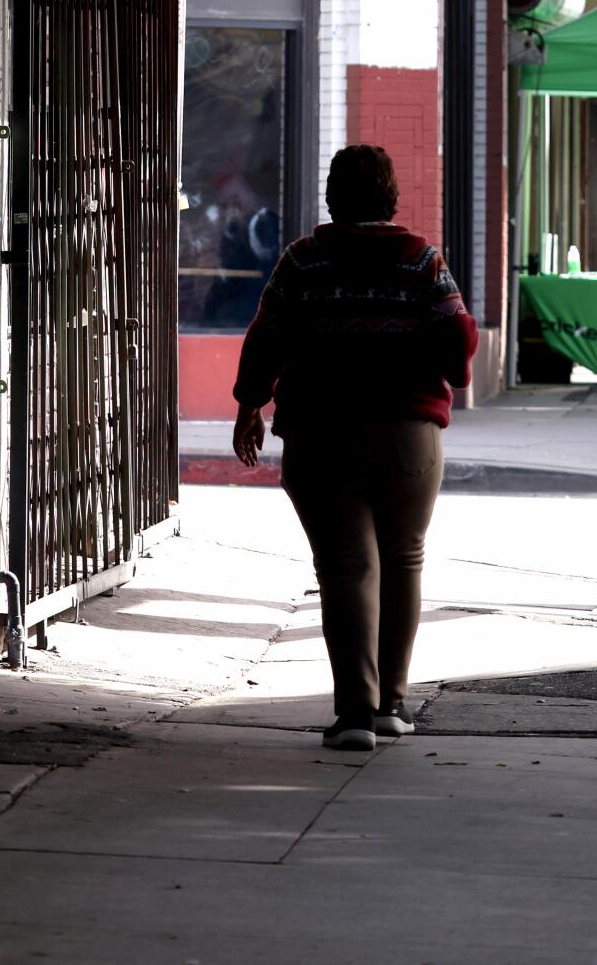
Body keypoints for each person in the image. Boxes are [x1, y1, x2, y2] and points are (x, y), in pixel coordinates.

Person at [231, 142, 478, 754]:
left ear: (332, 197)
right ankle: (393, 703)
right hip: (406, 432)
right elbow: (456, 339)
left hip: (321, 430)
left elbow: (267, 334)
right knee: (402, 560)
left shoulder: (303, 261)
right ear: (391, 197)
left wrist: (249, 405)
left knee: (345, 568)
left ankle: (354, 717)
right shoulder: (423, 261)